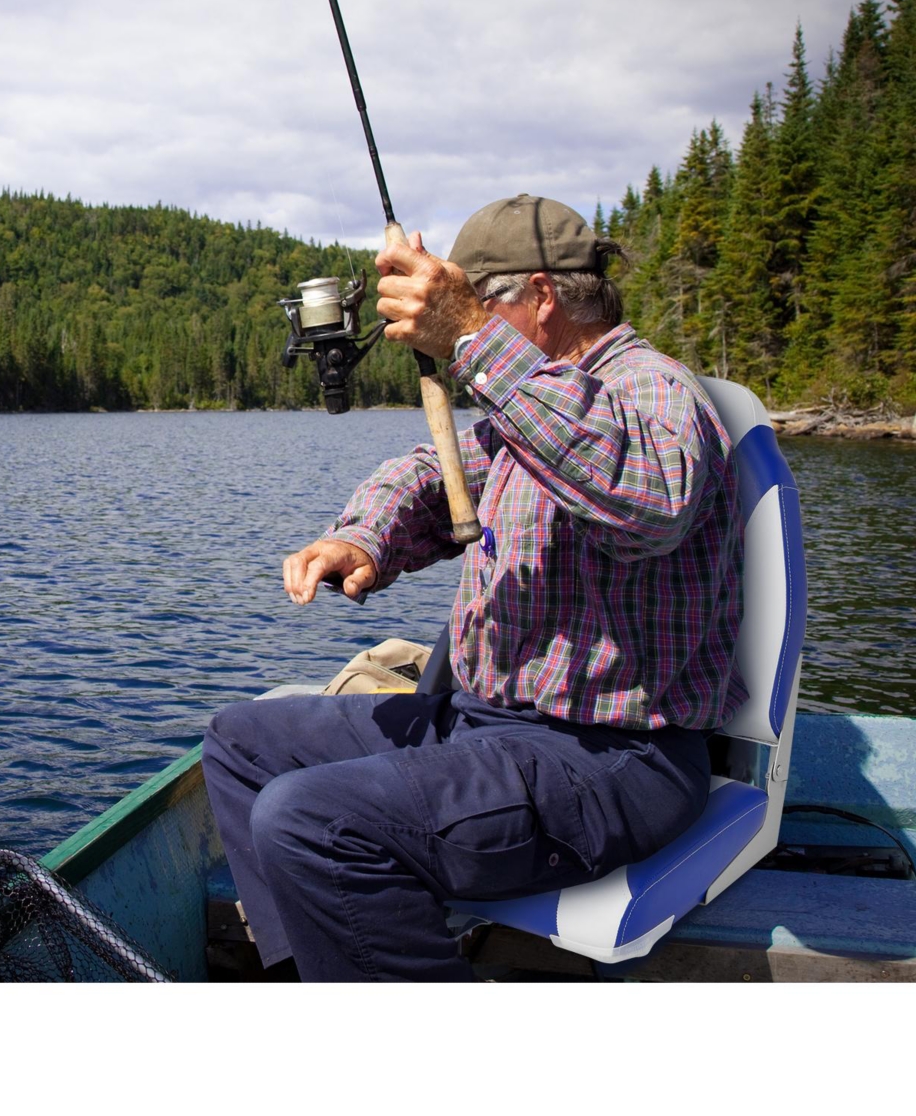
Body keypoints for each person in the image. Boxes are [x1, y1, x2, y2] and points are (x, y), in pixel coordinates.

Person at [202, 194, 746, 981]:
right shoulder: (537, 402)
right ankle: (316, 972)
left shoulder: (651, 389)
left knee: (310, 819)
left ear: (543, 295)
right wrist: (362, 536)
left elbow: (649, 502)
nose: (465, 327)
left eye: (482, 303)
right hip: (481, 726)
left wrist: (466, 336)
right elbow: (436, 478)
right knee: (243, 739)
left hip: (612, 759)